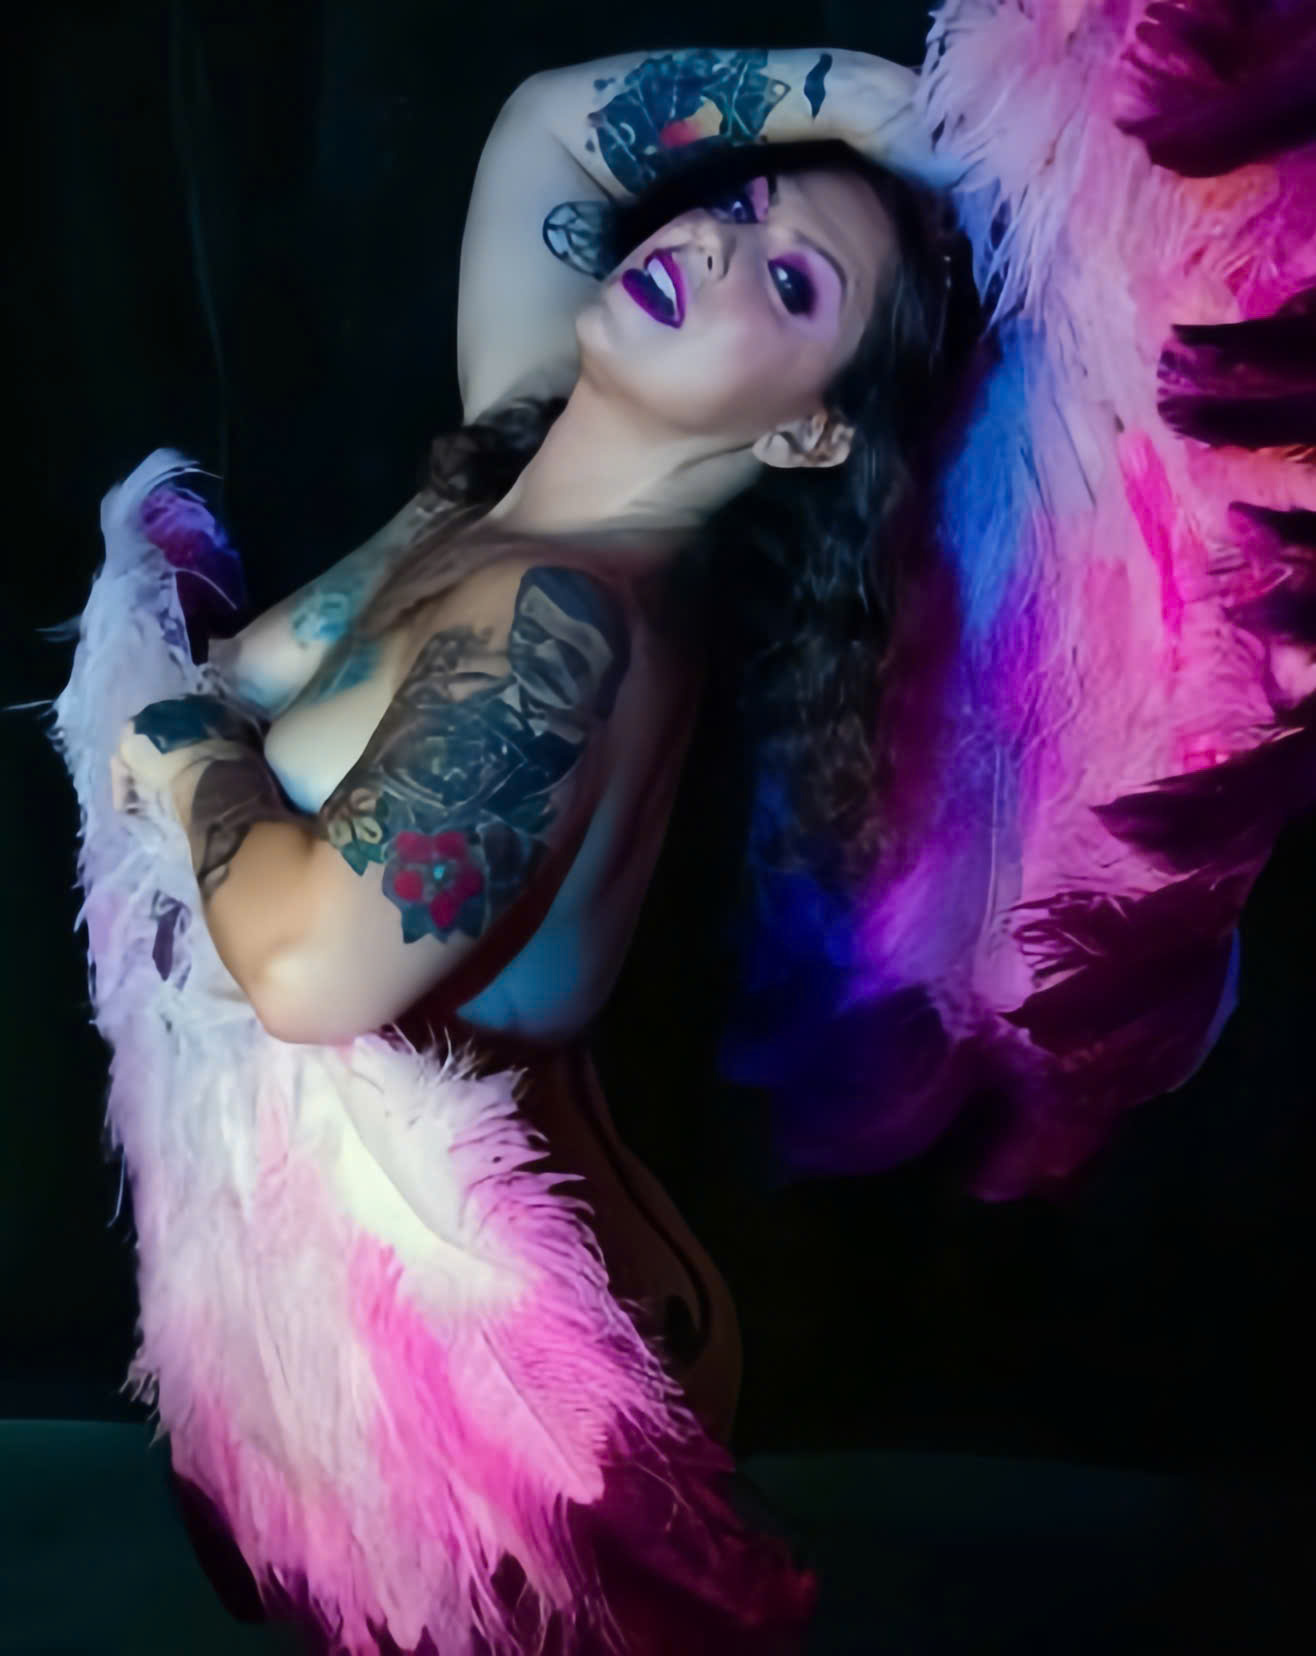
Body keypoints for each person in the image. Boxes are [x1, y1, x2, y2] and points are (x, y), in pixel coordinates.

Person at [88, 43, 963, 1656]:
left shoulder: (561, 617)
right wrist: (887, 109)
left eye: (791, 283)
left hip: (515, 1402)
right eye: (738, 208)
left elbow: (312, 966)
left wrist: (186, 746)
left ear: (805, 438)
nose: (712, 244)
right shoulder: (512, 473)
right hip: (336, 1321)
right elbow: (554, 131)